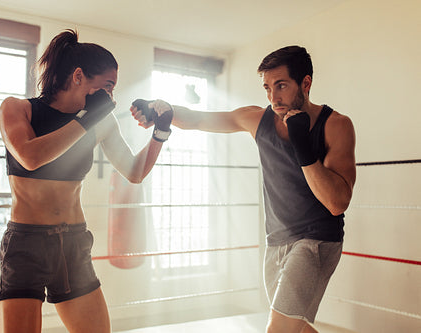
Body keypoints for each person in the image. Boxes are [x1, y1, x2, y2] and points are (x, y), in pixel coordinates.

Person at [131, 45, 356, 333]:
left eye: (282, 86)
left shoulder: (335, 125)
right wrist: (162, 110)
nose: (273, 97)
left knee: (278, 328)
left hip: (316, 241)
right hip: (276, 241)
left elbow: (337, 202)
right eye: (267, 88)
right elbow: (199, 119)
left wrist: (303, 148)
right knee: (296, 328)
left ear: (306, 83)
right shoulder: (258, 119)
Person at [0, 29, 173, 333]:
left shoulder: (100, 122)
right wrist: (87, 119)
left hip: (73, 242)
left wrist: (160, 133)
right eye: (107, 86)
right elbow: (30, 156)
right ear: (78, 76)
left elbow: (134, 172)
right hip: (27, 243)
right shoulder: (18, 108)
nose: (111, 97)